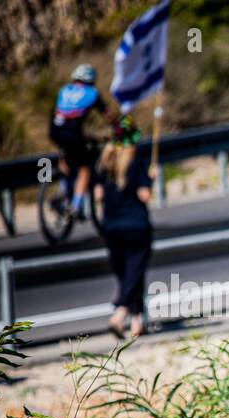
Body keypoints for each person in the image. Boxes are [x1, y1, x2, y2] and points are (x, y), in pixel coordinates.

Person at [95, 117, 153, 339]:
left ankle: (137, 322)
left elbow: (98, 195)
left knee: (128, 274)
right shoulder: (135, 161)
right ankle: (120, 313)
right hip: (136, 225)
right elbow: (144, 195)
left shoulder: (105, 162)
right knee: (133, 273)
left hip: (111, 226)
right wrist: (150, 179)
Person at [49, 63, 113, 220]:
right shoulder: (92, 93)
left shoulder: (64, 90)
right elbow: (107, 114)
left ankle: (63, 191)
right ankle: (76, 206)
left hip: (54, 131)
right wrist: (118, 128)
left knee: (66, 160)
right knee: (85, 169)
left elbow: (59, 113)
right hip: (72, 134)